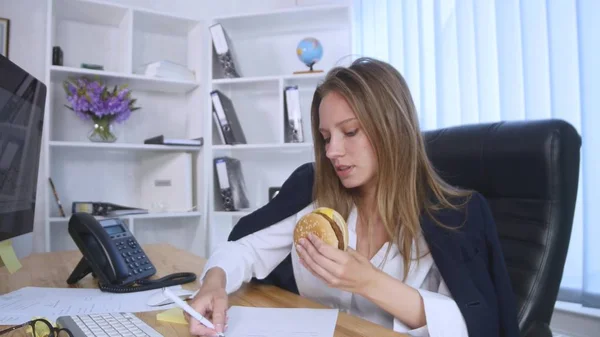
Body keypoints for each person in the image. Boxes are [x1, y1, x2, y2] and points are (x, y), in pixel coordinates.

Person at [188, 57, 521, 337]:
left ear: (392, 128)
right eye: (325, 137)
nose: (332, 151)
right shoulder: (316, 195)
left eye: (349, 132)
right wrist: (213, 284)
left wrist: (369, 282)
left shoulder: (454, 218)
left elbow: (468, 325)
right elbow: (243, 250)